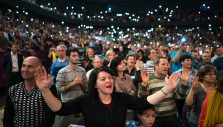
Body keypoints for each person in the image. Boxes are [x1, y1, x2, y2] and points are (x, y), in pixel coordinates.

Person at [34, 66, 180, 127]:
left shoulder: (121, 98)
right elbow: (60, 109)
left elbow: (144, 103)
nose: (109, 80)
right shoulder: (86, 100)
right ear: (95, 84)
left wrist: (167, 88)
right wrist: (45, 90)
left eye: (110, 78)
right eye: (103, 79)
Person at [3, 56, 57, 127]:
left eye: (30, 67)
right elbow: (8, 116)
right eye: (23, 66)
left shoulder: (48, 88)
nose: (25, 70)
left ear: (39, 69)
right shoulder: (13, 89)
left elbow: (50, 117)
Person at [138, 57, 187, 127]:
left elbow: (179, 96)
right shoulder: (148, 79)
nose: (166, 67)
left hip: (172, 118)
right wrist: (144, 84)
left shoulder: (170, 79)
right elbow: (141, 98)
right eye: (163, 64)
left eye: (167, 64)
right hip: (156, 119)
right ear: (156, 66)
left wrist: (184, 84)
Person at [53, 47, 87, 127]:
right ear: (68, 57)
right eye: (74, 56)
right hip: (68, 103)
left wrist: (81, 83)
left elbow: (86, 88)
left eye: (78, 56)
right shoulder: (62, 72)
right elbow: (59, 90)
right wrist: (73, 83)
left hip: (81, 103)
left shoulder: (82, 70)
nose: (77, 58)